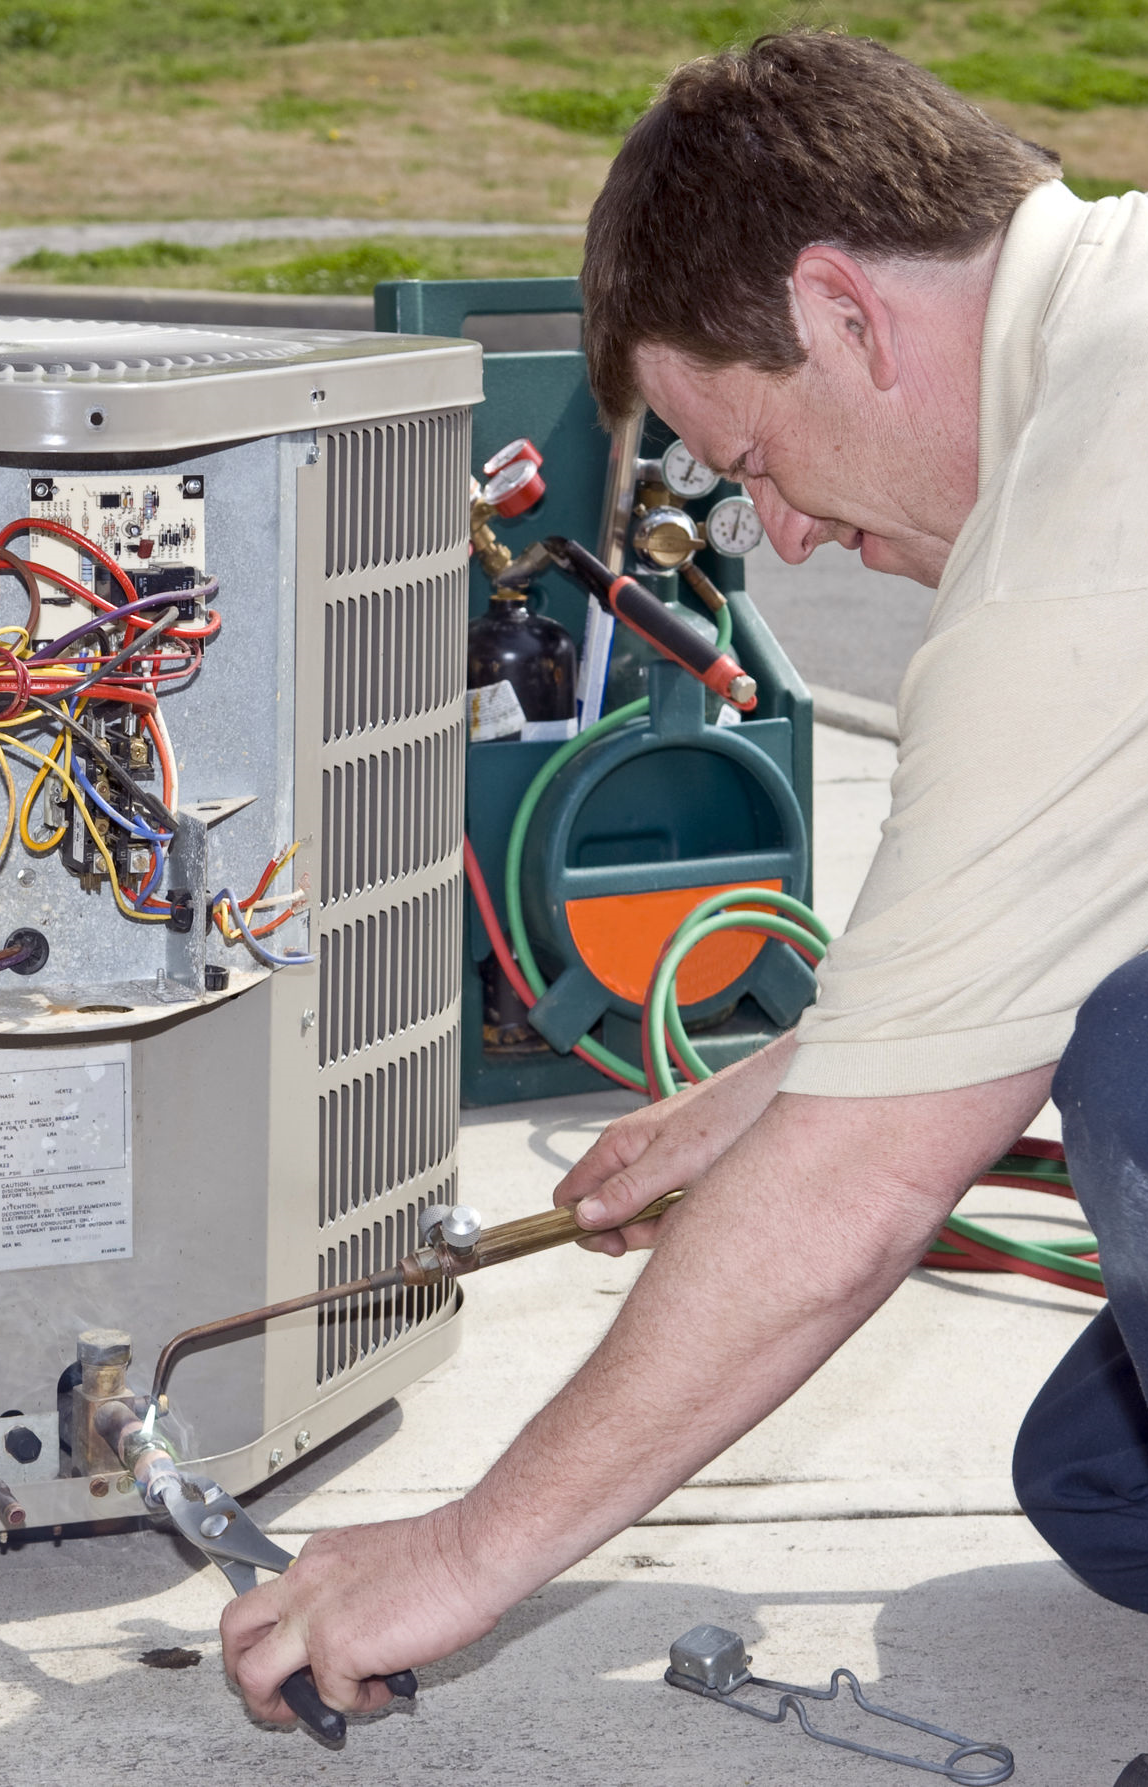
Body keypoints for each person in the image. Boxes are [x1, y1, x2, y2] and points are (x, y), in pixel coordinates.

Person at [221, 28, 1148, 1771]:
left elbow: (863, 1194)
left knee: (1141, 1054)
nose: (776, 538)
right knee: (1104, 1482)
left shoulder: (1081, 542)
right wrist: (784, 1078)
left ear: (843, 314)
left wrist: (454, 1555)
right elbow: (1054, 899)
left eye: (759, 458)